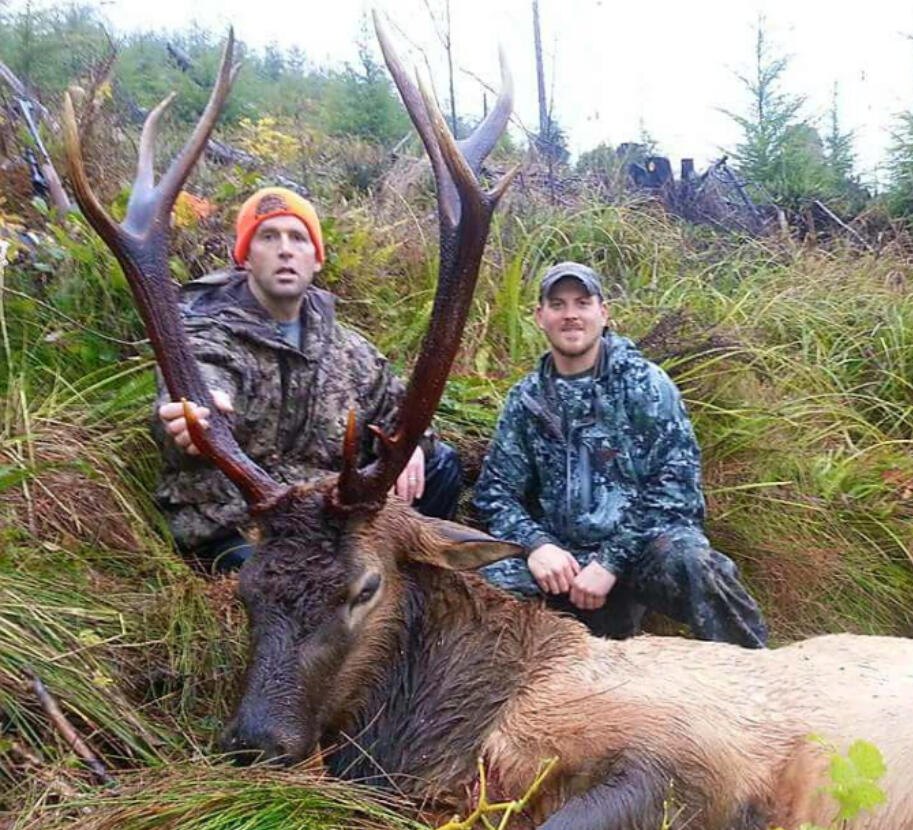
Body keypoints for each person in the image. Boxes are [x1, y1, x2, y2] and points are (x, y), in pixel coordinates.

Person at [154, 187, 461, 572]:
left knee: (443, 465)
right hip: (241, 518)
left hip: (326, 509)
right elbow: (199, 380)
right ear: (245, 256)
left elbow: (397, 407)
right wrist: (198, 415)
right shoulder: (203, 333)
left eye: (298, 238)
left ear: (316, 259)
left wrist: (416, 444)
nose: (285, 249)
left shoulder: (347, 347)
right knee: (290, 575)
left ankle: (401, 583)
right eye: (268, 236)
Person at [472, 261, 768, 648]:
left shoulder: (645, 383)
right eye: (558, 305)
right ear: (540, 316)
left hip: (640, 551)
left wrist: (611, 561)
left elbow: (676, 491)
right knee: (479, 589)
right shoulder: (525, 399)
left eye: (582, 302)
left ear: (603, 312)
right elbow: (495, 494)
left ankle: (761, 679)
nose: (571, 315)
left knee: (699, 568)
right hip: (565, 562)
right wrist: (537, 545)